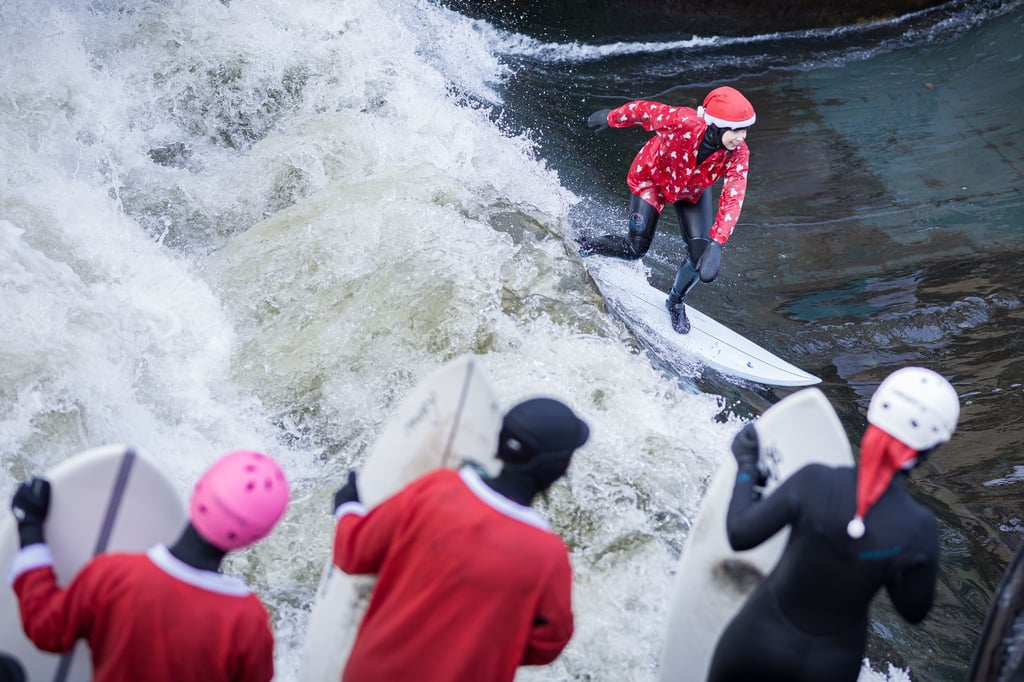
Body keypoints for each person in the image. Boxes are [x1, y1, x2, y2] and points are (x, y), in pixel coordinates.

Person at [706, 367, 960, 681]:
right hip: (831, 667)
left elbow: (740, 533)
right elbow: (913, 611)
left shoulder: (815, 481)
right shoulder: (918, 528)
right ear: (930, 447)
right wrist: (883, 558)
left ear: (873, 413)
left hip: (755, 646)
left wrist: (746, 464)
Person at [331, 397, 590, 682]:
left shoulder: (437, 489)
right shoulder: (548, 556)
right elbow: (549, 644)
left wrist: (348, 507)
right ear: (561, 467)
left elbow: (354, 553)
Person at [8, 449, 290, 682]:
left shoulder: (115, 575)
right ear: (257, 536)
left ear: (200, 489)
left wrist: (30, 527)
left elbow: (47, 630)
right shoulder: (250, 623)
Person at [580, 86, 756, 334]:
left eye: (745, 129)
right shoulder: (683, 121)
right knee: (635, 250)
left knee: (699, 255)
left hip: (691, 191)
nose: (741, 137)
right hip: (651, 180)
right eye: (735, 130)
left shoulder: (737, 153)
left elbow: (734, 194)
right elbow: (646, 112)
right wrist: (612, 117)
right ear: (716, 125)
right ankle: (586, 245)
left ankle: (675, 301)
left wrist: (717, 242)